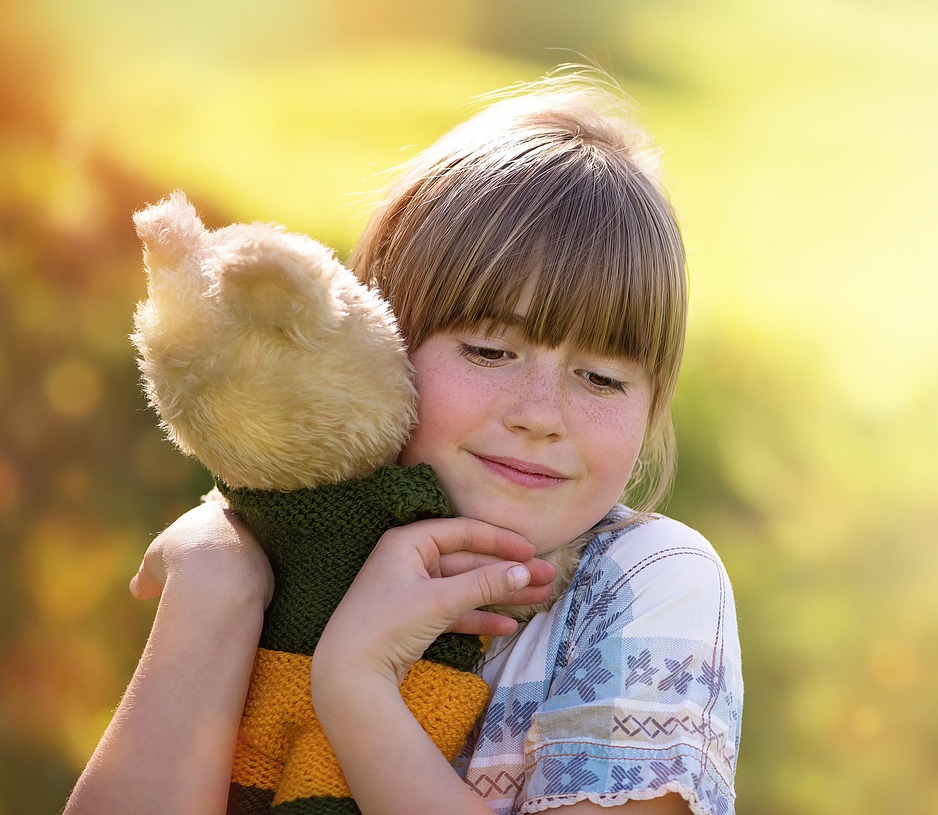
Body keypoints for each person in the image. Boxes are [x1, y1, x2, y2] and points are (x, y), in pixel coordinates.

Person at [65, 72, 742, 815]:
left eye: (603, 377)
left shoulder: (645, 583)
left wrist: (356, 682)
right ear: (385, 340)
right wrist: (217, 587)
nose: (542, 414)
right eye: (489, 350)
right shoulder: (277, 553)